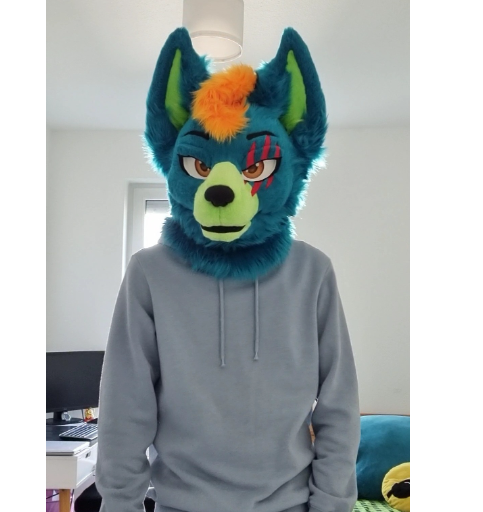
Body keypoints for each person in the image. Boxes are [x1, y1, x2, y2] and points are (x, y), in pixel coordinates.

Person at [96, 27, 360, 512]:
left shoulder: (312, 272)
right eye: (200, 167)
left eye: (254, 168)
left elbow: (339, 404)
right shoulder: (149, 272)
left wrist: (331, 505)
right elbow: (125, 406)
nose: (221, 189)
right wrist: (120, 504)